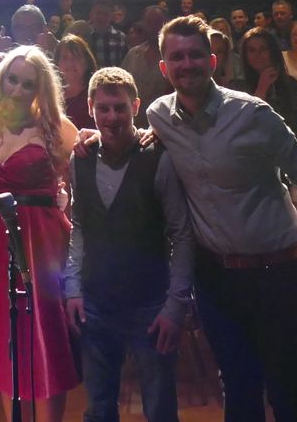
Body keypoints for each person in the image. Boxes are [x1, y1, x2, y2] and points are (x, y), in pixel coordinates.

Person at [146, 15, 297, 422]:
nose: (187, 64)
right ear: (164, 67)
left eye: (195, 55)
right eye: (177, 57)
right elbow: (131, 141)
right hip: (215, 279)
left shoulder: (253, 113)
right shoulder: (158, 116)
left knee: (288, 391)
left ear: (212, 61)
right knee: (237, 389)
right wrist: (90, 138)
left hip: (277, 274)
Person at [65, 66, 192, 422]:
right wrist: (72, 288)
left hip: (150, 303)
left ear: (135, 106)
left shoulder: (158, 157)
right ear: (90, 108)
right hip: (96, 301)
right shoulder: (80, 158)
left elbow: (181, 234)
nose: (111, 117)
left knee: (160, 410)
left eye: (120, 107)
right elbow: (79, 226)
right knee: (99, 409)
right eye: (103, 108)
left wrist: (176, 305)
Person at [0, 46, 79, 422]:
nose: (17, 89)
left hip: (41, 243)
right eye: (11, 80)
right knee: (4, 340)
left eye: (27, 84)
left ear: (40, 89)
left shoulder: (56, 128)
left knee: (45, 338)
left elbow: (85, 178)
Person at [237, 28, 297, 163]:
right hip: (255, 161)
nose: (258, 55)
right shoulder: (237, 87)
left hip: (290, 157)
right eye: (251, 50)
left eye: (263, 49)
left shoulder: (289, 83)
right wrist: (261, 89)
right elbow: (241, 126)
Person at [55, 34, 97, 130]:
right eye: (65, 58)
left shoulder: (96, 93)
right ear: (58, 63)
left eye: (76, 57)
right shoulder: (51, 95)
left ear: (87, 62)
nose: (70, 63)